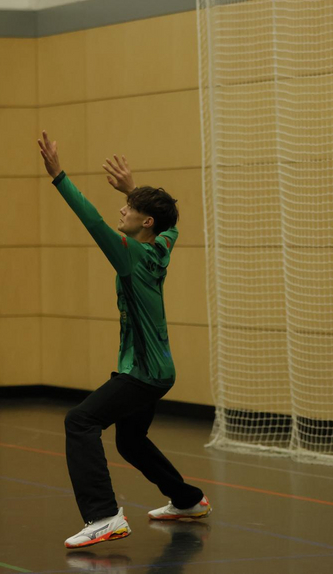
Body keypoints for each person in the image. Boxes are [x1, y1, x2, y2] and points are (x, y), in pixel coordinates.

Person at [37, 130, 212, 549]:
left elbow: (93, 222)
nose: (122, 209)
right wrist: (135, 191)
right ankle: (188, 500)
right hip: (156, 370)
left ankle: (103, 516)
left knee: (80, 421)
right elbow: (170, 225)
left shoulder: (131, 255)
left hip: (143, 373)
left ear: (146, 222)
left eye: (130, 208)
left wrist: (60, 176)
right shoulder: (162, 246)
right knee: (130, 440)